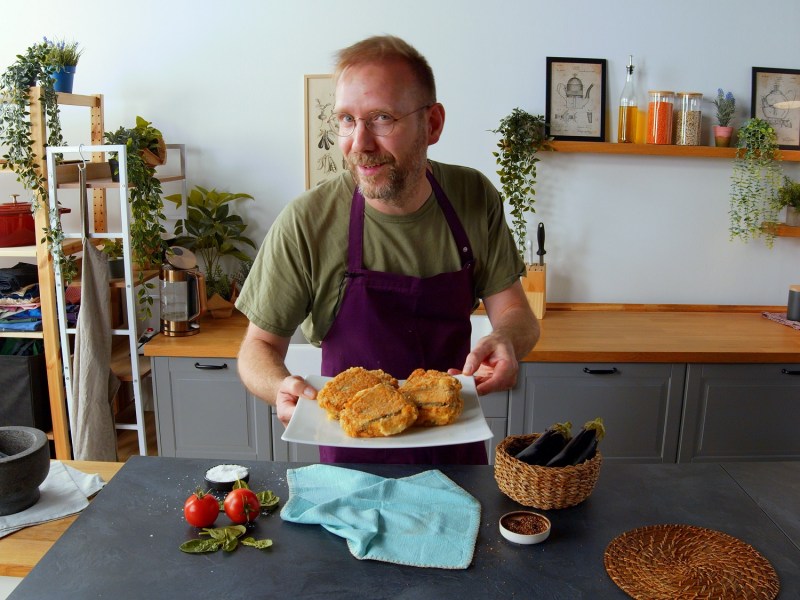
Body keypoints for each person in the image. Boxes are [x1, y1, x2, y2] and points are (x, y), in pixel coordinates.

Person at [235, 34, 539, 465]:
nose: (359, 143)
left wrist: (507, 339)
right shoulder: (308, 221)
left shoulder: (473, 196)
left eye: (381, 118)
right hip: (350, 464)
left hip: (454, 452)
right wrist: (279, 386)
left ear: (432, 124)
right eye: (345, 119)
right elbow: (257, 348)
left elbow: (516, 314)